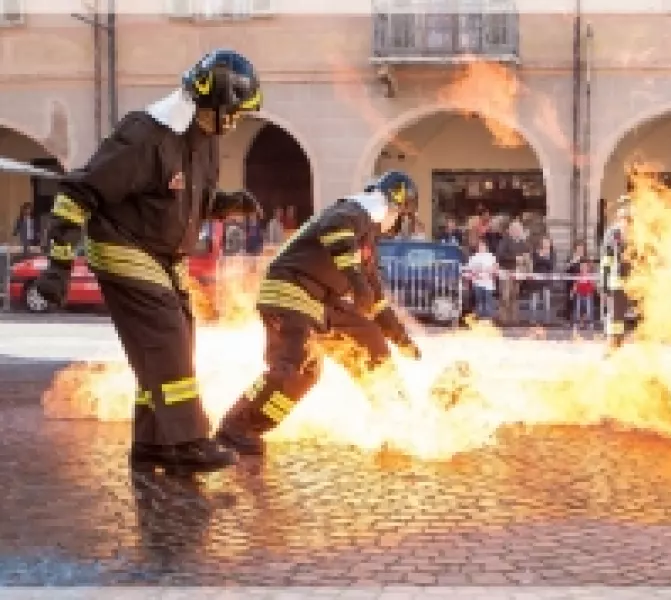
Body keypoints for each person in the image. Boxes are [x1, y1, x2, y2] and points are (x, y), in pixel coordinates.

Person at [33, 49, 264, 473]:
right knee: (166, 340)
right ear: (206, 103)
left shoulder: (205, 143)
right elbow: (78, 194)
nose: (234, 122)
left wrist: (225, 203)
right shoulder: (145, 137)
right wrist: (58, 266)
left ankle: (153, 444)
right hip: (123, 247)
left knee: (171, 347)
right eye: (230, 113)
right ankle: (191, 441)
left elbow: (179, 200)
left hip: (164, 256)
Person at [215, 171, 423, 456]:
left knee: (369, 340)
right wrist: (356, 280)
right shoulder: (356, 210)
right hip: (292, 291)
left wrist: (401, 339)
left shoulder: (366, 240)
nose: (397, 223)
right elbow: (334, 228)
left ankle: (398, 418)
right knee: (298, 366)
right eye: (400, 215)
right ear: (395, 206)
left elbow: (375, 300)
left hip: (323, 301)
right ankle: (236, 428)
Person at [600, 195, 634, 349]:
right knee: (616, 317)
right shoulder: (613, 233)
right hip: (618, 281)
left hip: (638, 282)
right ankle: (614, 344)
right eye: (624, 207)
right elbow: (606, 259)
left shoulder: (640, 231)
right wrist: (604, 281)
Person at [465, 238, 497, 319]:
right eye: (480, 246)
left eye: (483, 246)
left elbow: (495, 267)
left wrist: (491, 270)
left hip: (488, 284)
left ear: (486, 247)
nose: (481, 248)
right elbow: (469, 268)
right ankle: (479, 319)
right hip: (477, 283)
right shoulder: (474, 257)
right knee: (479, 302)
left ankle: (488, 319)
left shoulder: (491, 256)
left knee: (488, 302)